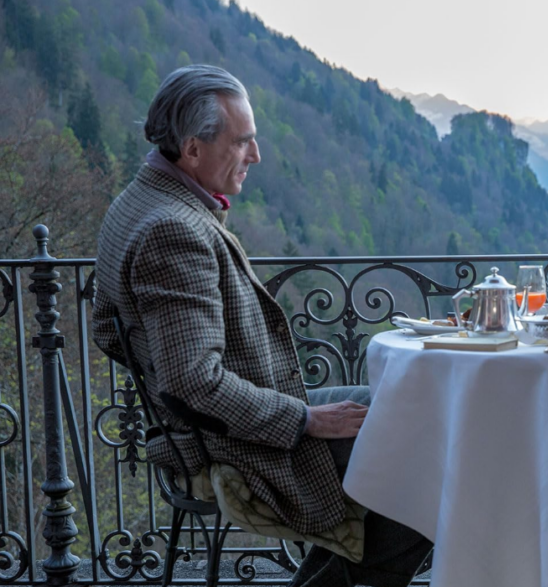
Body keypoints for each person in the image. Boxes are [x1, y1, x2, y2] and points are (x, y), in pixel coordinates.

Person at [92, 64, 430, 587]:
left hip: (222, 422)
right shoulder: (172, 231)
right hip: (230, 442)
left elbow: (109, 331)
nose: (256, 155)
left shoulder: (140, 201)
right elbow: (193, 382)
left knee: (415, 411)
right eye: (243, 141)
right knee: (436, 462)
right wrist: (305, 419)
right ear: (193, 149)